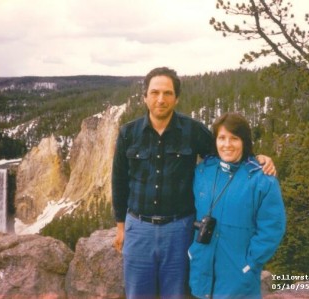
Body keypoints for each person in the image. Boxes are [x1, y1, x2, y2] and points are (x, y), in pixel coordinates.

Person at [111, 67, 276, 299]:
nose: (161, 99)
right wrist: (120, 227)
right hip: (138, 229)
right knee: (138, 293)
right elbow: (119, 181)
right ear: (145, 97)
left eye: (168, 93)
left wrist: (256, 159)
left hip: (180, 230)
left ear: (176, 98)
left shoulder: (192, 130)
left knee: (177, 294)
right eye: (155, 92)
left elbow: (225, 153)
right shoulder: (128, 133)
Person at [188, 112, 286, 299]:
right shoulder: (202, 172)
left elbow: (272, 229)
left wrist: (250, 263)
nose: (227, 145)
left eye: (234, 138)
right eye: (222, 138)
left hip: (238, 278)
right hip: (201, 273)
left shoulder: (262, 181)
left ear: (245, 141)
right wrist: (193, 252)